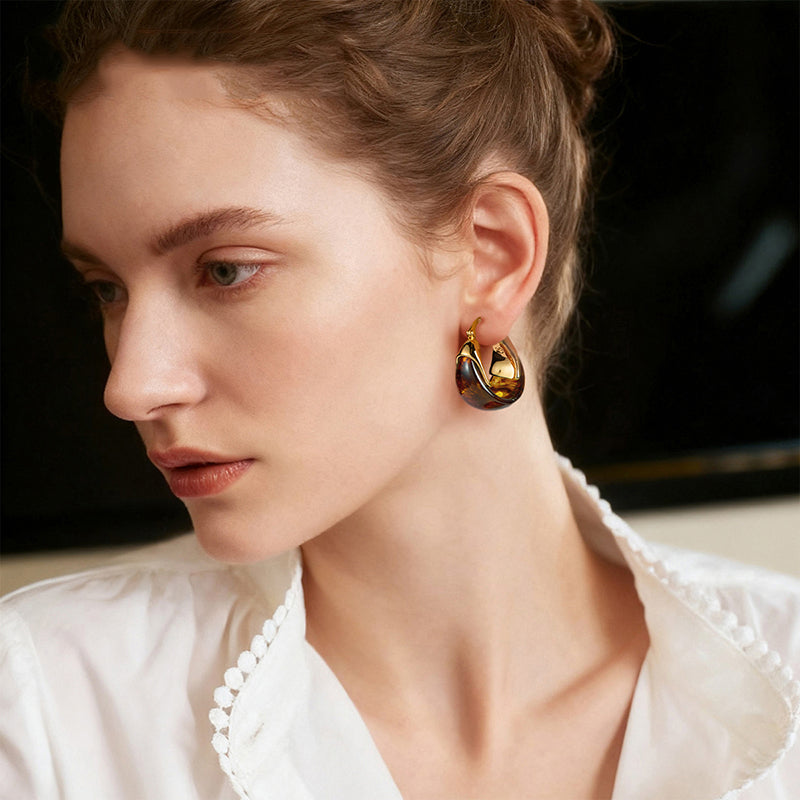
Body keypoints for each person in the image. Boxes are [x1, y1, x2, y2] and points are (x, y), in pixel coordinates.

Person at [1, 1, 798, 798]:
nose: (131, 385)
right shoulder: (48, 715)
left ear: (491, 253)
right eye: (106, 289)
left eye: (226, 270)